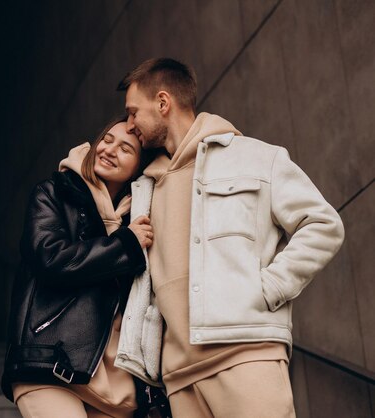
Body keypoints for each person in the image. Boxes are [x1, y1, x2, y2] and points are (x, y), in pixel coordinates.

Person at [115, 57, 345, 418]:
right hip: (179, 376)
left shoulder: (255, 157)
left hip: (245, 355)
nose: (129, 125)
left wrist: (268, 287)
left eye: (133, 112)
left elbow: (323, 224)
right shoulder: (146, 187)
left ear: (163, 103)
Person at [1, 116, 166, 418]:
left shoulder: (140, 219)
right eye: (107, 140)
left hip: (118, 382)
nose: (109, 150)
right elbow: (51, 259)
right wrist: (124, 245)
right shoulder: (54, 193)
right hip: (51, 362)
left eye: (125, 149)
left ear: (139, 168)